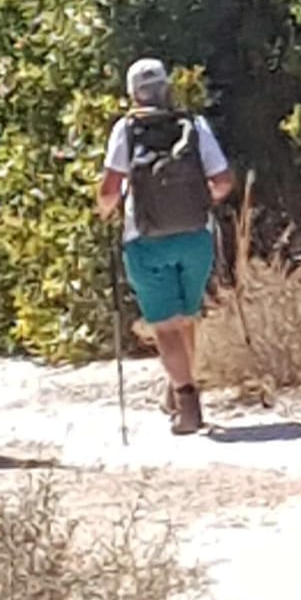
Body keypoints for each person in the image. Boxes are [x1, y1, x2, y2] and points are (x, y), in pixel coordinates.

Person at [98, 58, 234, 435]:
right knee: (185, 319)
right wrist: (198, 203)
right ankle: (177, 393)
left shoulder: (126, 131)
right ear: (166, 88)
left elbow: (110, 191)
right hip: (195, 236)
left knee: (166, 327)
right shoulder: (193, 125)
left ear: (132, 94)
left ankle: (188, 402)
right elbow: (222, 181)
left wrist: (105, 213)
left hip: (145, 240)